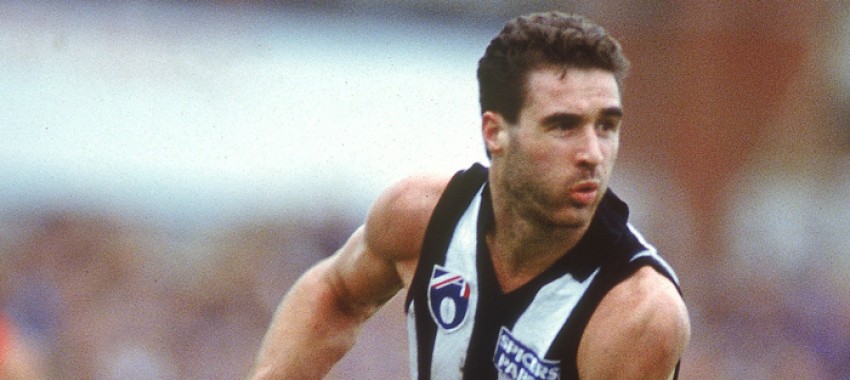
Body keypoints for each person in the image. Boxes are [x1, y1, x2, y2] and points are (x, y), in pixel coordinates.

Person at [250, 11, 690, 380]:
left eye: (607, 126)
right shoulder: (421, 216)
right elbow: (333, 293)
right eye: (563, 126)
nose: (593, 154)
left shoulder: (638, 314)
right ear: (495, 133)